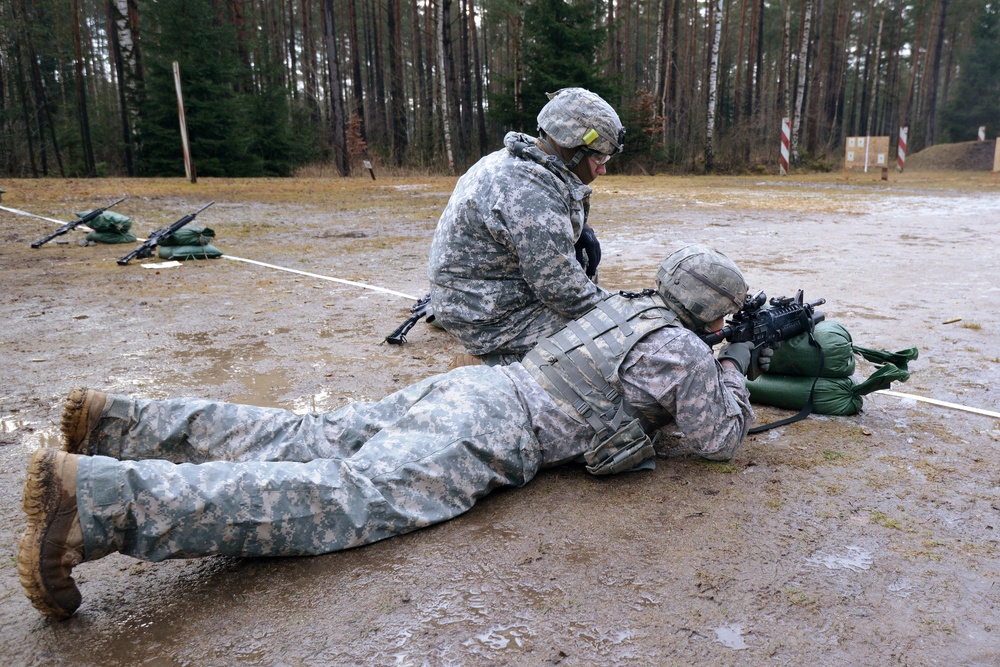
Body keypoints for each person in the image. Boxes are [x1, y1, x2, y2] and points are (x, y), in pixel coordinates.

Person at [18, 244, 766, 620]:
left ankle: (117, 419)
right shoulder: (684, 351)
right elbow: (720, 438)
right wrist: (735, 363)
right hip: (494, 427)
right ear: (712, 313)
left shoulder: (625, 305)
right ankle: (101, 502)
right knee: (346, 497)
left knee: (309, 437)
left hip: (476, 385)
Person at [427, 87, 626, 366]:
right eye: (599, 158)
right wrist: (629, 313)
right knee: (612, 343)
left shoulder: (520, 163)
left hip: (481, 299)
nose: (603, 169)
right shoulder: (529, 190)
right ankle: (491, 364)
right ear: (571, 148)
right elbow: (565, 291)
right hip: (490, 318)